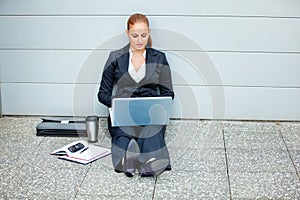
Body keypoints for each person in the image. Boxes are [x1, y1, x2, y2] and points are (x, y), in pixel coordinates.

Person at [98, 13, 174, 177]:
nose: (140, 40)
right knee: (123, 136)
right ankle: (128, 161)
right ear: (127, 34)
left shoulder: (159, 57)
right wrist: (117, 105)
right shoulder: (115, 57)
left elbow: (168, 93)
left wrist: (158, 107)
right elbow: (102, 93)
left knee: (151, 132)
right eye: (135, 35)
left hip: (150, 112)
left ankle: (149, 164)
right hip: (123, 112)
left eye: (144, 35)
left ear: (149, 32)